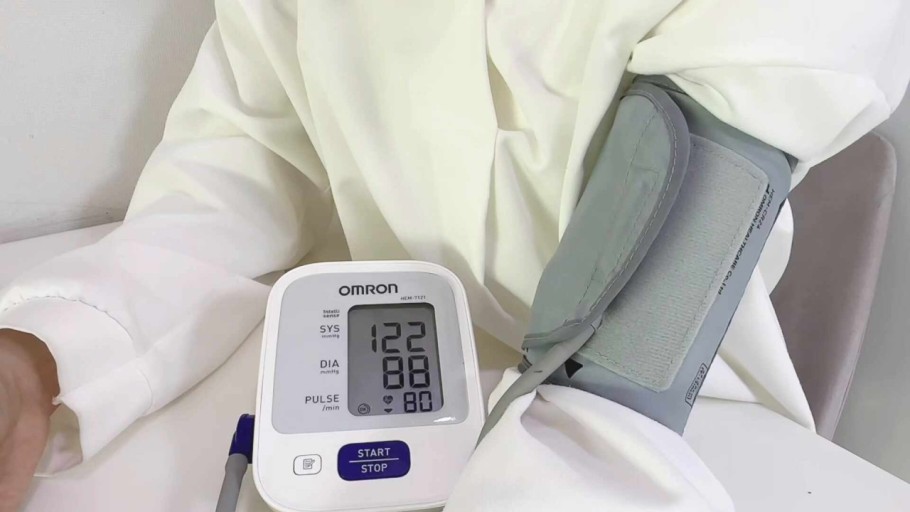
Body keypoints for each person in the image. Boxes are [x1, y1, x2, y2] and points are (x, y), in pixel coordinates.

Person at [1, 1, 909, 510]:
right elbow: (248, 159)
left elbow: (647, 317)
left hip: (658, 424)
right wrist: (47, 349)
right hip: (366, 388)